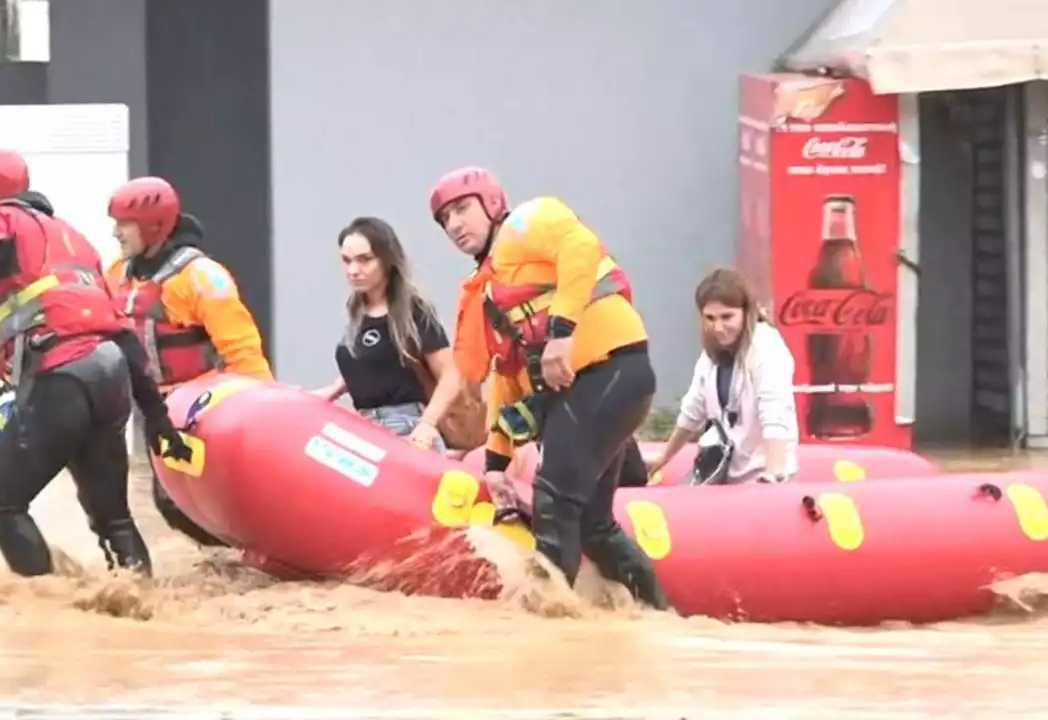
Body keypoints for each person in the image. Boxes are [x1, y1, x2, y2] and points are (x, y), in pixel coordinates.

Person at [0, 149, 191, 579]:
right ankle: (142, 606)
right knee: (115, 520)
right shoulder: (75, 241)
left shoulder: (4, 217)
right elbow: (122, 335)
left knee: (1, 504)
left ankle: (46, 609)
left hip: (62, 375)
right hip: (109, 375)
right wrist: (158, 420)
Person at [430, 166, 669, 610]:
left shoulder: (525, 223)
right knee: (595, 526)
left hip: (612, 370)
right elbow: (506, 374)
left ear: (494, 205)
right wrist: (497, 461)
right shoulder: (490, 291)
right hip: (590, 392)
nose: (455, 224)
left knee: (554, 500)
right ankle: (658, 617)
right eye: (446, 220)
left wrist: (562, 331)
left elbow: (578, 246)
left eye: (463, 209)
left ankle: (549, 631)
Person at [105, 176, 274, 547]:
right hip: (155, 410)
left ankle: (257, 552)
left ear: (154, 226)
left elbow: (242, 348)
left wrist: (265, 416)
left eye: (124, 224)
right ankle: (235, 558)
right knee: (171, 506)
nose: (116, 232)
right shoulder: (118, 274)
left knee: (193, 502)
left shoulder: (201, 278)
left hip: (201, 410)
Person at [313, 216, 482, 452]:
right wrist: (333, 390)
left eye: (364, 260)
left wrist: (427, 424)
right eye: (346, 260)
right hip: (365, 427)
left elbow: (452, 372)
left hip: (406, 427)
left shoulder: (412, 311)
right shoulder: (357, 311)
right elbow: (377, 366)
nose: (353, 270)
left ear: (387, 260)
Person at [648, 267, 798, 485]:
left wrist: (774, 473)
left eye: (727, 316)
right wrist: (663, 459)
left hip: (762, 475)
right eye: (710, 318)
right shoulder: (712, 353)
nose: (718, 327)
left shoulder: (767, 348)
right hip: (728, 474)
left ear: (747, 312)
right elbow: (692, 411)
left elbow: (775, 414)